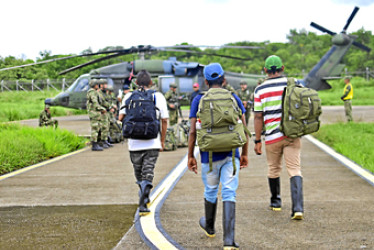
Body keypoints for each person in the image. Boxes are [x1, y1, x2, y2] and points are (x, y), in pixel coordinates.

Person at [187, 63, 249, 249]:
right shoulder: (234, 98)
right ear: (224, 80)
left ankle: (210, 227)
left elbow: (192, 132)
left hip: (208, 156)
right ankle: (229, 241)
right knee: (229, 192)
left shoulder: (199, 100)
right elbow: (244, 129)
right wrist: (245, 153)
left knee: (211, 191)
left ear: (205, 82)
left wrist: (191, 155)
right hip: (232, 154)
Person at [253, 55, 304, 220]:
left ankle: (276, 202)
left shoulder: (260, 90)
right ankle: (297, 208)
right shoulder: (294, 82)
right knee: (294, 169)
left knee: (274, 168)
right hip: (291, 134)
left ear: (265, 70)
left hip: (272, 137)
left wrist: (257, 140)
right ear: (282, 68)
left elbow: (258, 117)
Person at [118, 70, 168, 216]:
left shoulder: (128, 96)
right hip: (152, 141)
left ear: (136, 83)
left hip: (134, 143)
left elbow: (121, 117)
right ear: (151, 83)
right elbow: (164, 120)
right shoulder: (157, 96)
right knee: (148, 170)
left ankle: (143, 195)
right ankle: (144, 199)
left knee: (139, 173)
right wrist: (162, 140)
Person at [86, 79, 106, 151]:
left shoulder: (94, 92)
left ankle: (97, 142)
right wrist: (101, 109)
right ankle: (94, 144)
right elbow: (95, 103)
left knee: (98, 128)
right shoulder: (92, 92)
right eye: (97, 84)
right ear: (95, 85)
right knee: (95, 128)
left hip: (96, 113)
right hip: (94, 113)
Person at [97, 79, 113, 148]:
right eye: (105, 84)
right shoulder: (99, 93)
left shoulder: (105, 93)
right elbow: (103, 102)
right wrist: (110, 106)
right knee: (104, 127)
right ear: (101, 85)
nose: (106, 86)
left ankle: (105, 140)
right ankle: (102, 141)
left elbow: (109, 99)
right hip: (102, 112)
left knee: (107, 126)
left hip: (107, 111)